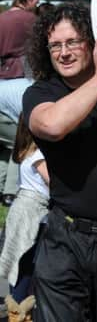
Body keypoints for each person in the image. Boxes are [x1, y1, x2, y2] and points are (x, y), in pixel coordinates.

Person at [22, 2, 97, 321]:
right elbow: (52, 125)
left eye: (73, 42)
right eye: (55, 45)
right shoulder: (41, 92)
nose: (64, 52)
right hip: (64, 235)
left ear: (94, 41)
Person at [0, 114, 49, 312]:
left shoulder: (26, 152)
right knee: (27, 263)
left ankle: (16, 305)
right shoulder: (39, 156)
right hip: (32, 213)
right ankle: (21, 308)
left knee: (20, 261)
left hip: (22, 209)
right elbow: (53, 183)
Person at [0, 0, 40, 206]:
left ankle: (2, 186)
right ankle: (11, 192)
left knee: (5, 143)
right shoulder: (28, 20)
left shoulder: (2, 18)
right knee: (21, 137)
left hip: (2, 77)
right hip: (21, 75)